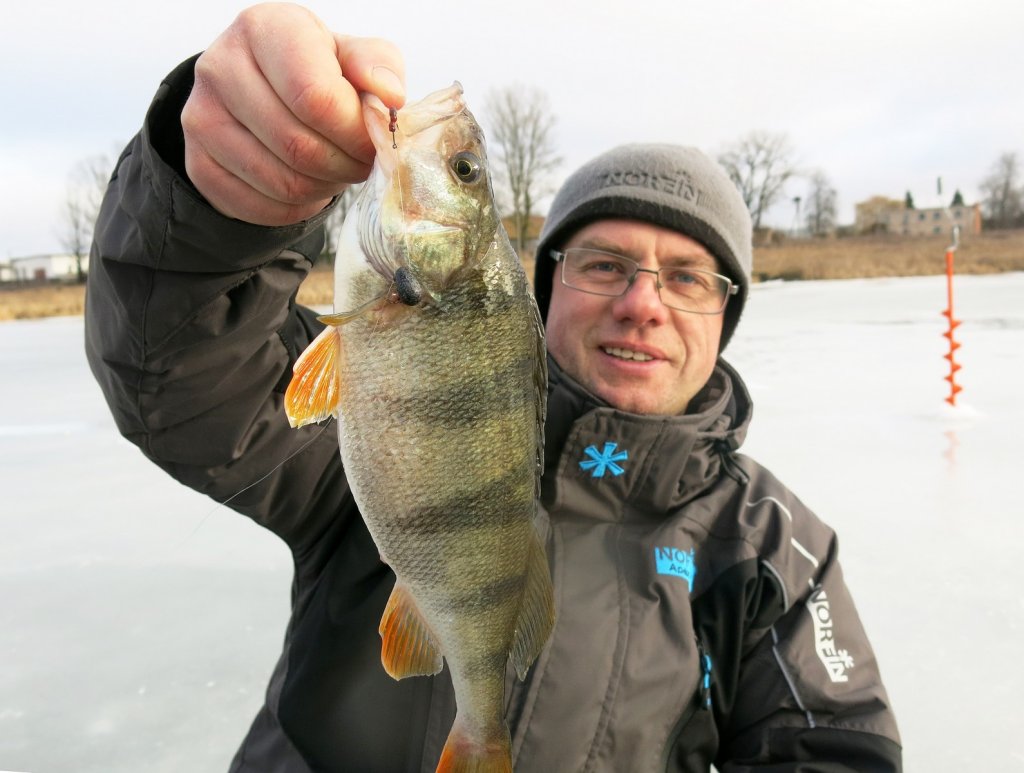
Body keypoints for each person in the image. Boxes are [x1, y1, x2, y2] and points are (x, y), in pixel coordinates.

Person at [85, 4, 902, 771]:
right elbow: (183, 370)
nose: (642, 303)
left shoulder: (769, 545)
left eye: (688, 276)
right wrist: (219, 206)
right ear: (544, 282)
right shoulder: (371, 402)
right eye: (604, 264)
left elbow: (834, 748)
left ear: (725, 310)